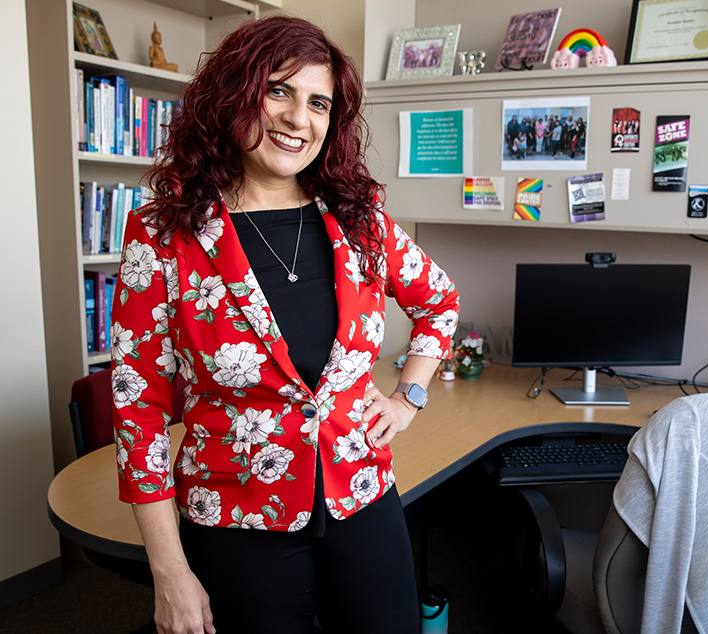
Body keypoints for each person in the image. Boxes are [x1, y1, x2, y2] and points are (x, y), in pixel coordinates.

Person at [111, 16, 460, 634]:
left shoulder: (360, 221)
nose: (299, 119)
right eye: (279, 90)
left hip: (362, 491)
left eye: (318, 102)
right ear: (234, 94)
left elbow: (439, 301)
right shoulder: (162, 236)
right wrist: (169, 570)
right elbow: (136, 409)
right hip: (235, 515)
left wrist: (408, 396)